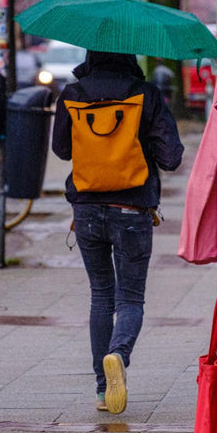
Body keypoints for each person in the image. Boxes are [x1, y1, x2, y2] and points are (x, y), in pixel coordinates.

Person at [52, 50, 184, 414]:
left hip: (87, 209)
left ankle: (100, 390)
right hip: (132, 209)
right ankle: (118, 355)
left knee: (100, 297)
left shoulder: (72, 94)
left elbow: (62, 150)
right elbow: (171, 158)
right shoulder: (146, 94)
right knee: (130, 299)